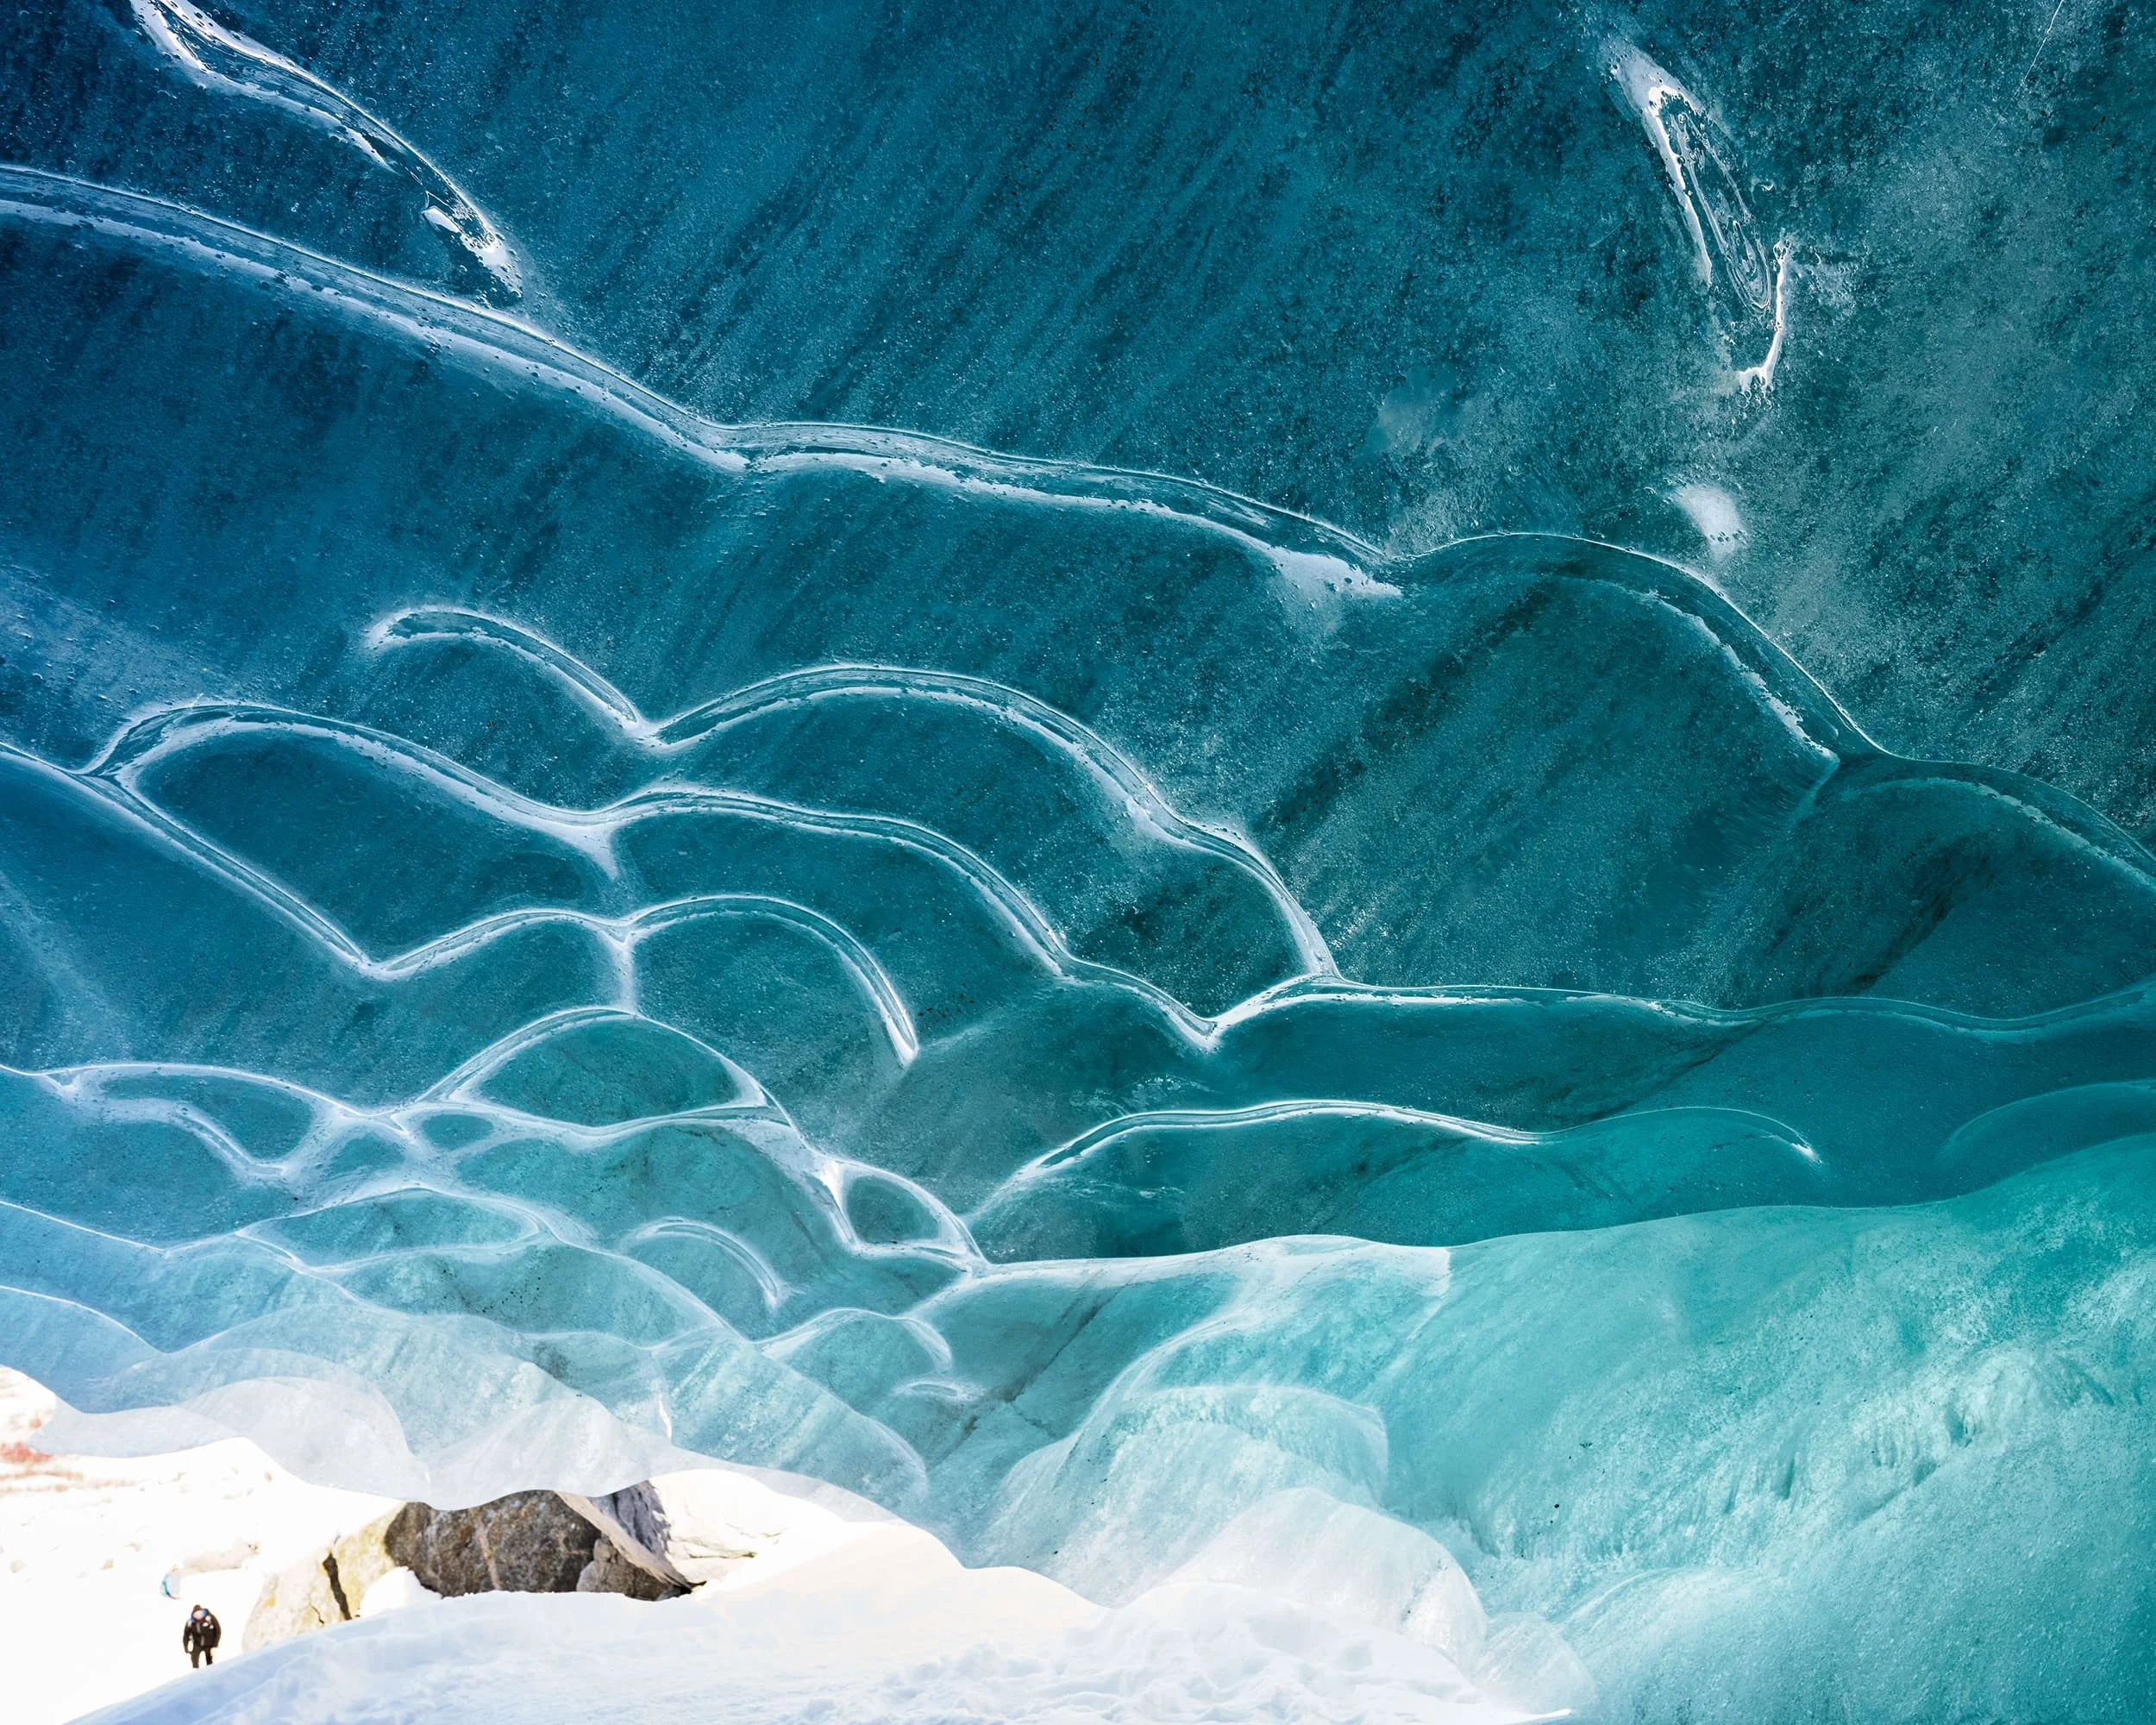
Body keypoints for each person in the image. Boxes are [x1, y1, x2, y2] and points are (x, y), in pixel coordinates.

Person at [182, 1603, 222, 1669]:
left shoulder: (210, 1618)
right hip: (197, 1644)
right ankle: (195, 1673)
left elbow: (218, 1631)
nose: (198, 1616)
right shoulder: (190, 1623)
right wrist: (186, 1648)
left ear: (203, 1612)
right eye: (196, 1615)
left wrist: (215, 1645)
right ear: (193, 1615)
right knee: (194, 1659)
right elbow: (186, 1636)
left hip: (209, 1644)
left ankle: (211, 1673)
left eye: (200, 1613)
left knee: (209, 1661)